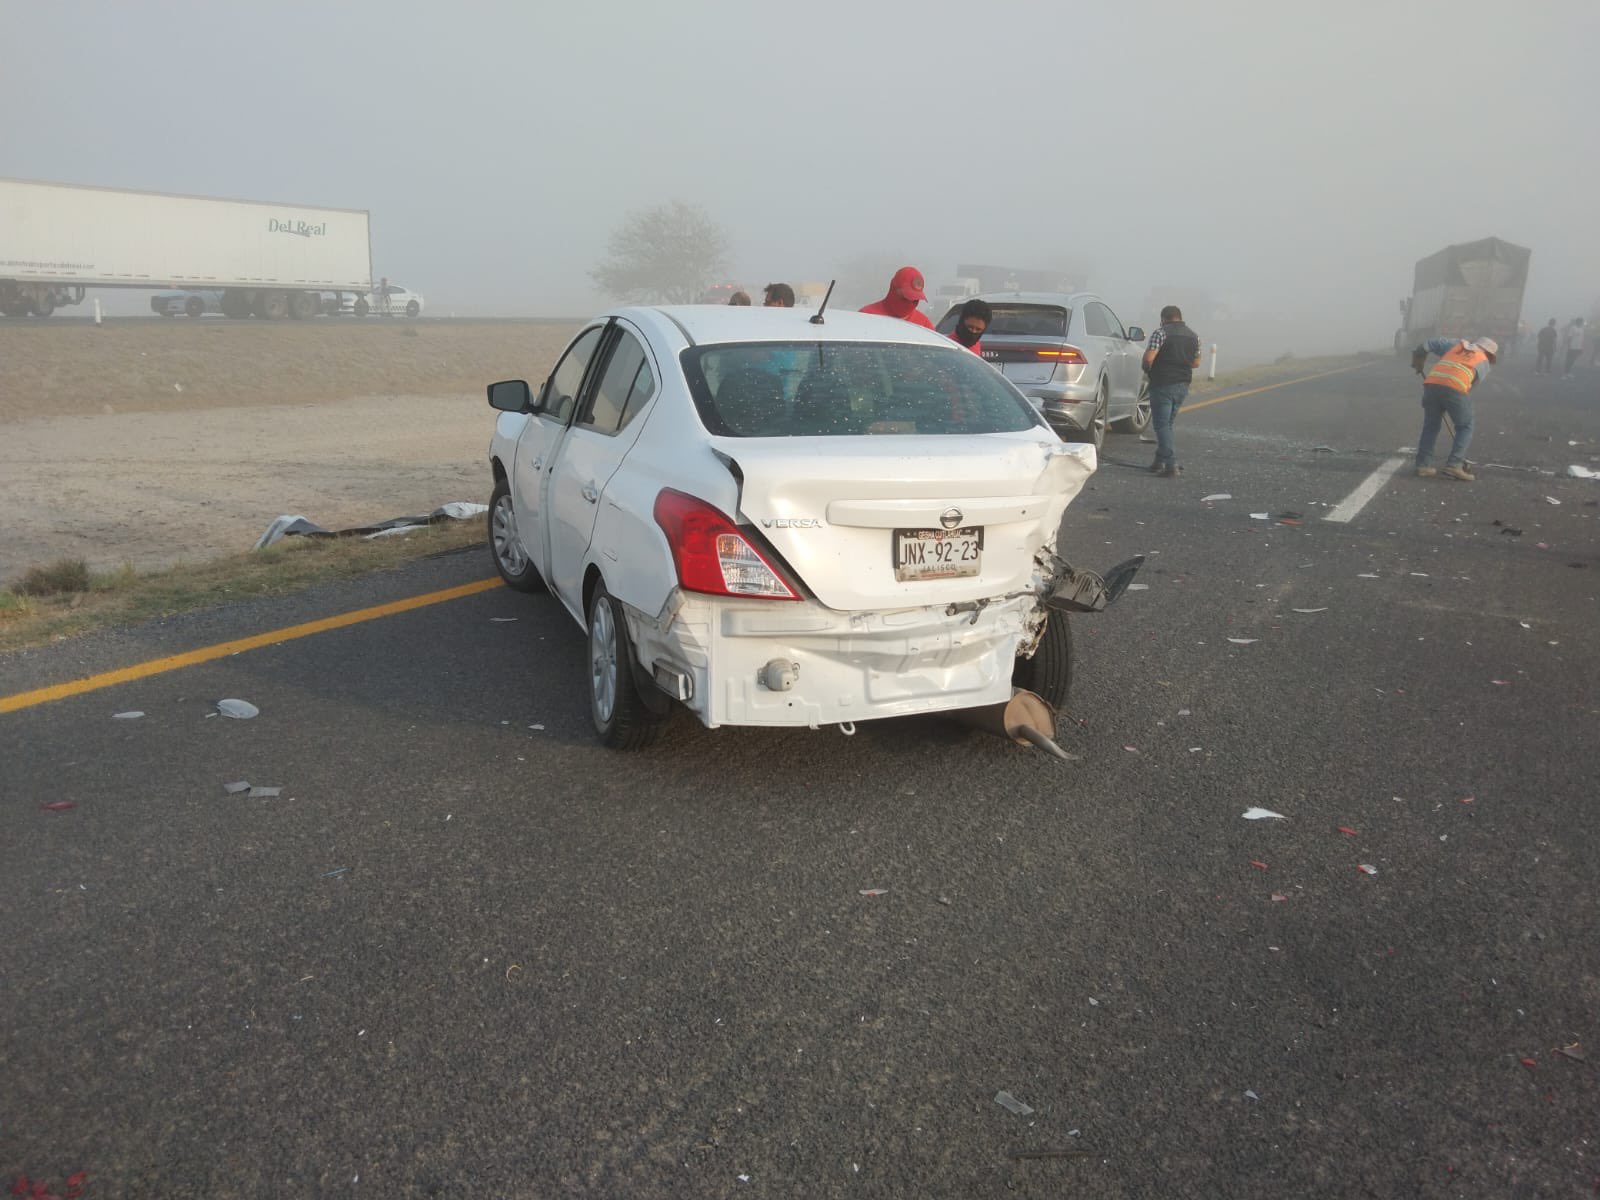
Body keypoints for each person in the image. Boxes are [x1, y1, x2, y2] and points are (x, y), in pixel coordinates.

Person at [1410, 335, 1496, 481]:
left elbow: (1428, 343)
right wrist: (1449, 400)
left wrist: (1419, 356)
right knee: (1465, 426)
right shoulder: (1484, 362)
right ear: (1489, 354)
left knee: (1431, 425)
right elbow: (1469, 387)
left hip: (1432, 383)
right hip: (1455, 388)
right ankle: (1455, 464)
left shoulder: (1457, 345)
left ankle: (1423, 466)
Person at [1142, 305, 1202, 478]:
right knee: (1167, 424)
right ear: (1179, 317)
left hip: (1162, 383)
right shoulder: (1194, 336)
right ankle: (1158, 462)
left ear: (1163, 318)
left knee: (1161, 425)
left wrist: (1148, 371)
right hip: (1183, 384)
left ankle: (1171, 464)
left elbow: (1148, 359)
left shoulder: (1161, 333)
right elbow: (1196, 363)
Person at [859, 267, 934, 329]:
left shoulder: (924, 325)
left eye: (915, 299)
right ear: (893, 288)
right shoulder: (866, 317)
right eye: (906, 297)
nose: (910, 302)